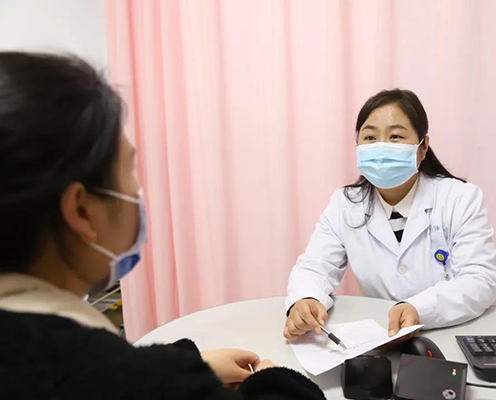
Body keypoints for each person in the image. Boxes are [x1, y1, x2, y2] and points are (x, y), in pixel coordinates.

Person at [0, 51, 324, 399]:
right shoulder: (109, 376)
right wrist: (273, 381)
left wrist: (184, 364)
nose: (136, 192)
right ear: (81, 210)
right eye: (128, 170)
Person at [284, 89, 496, 342]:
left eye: (395, 136)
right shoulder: (344, 204)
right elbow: (315, 266)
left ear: (423, 147)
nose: (382, 147)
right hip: (386, 336)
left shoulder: (460, 198)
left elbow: (481, 279)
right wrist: (306, 298)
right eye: (370, 137)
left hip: (460, 331)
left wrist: (419, 308)